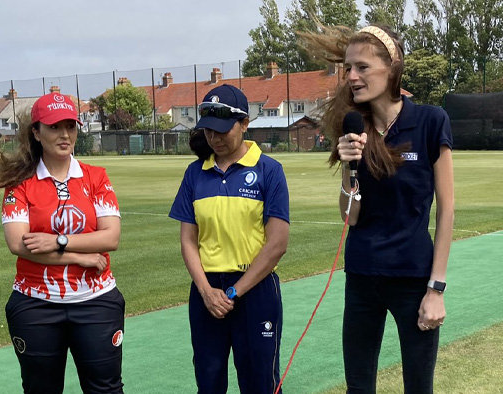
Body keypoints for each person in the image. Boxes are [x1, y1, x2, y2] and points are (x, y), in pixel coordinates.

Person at [300, 24, 455, 393]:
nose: (352, 76)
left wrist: (436, 289)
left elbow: (447, 209)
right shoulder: (353, 126)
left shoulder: (432, 121)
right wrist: (347, 168)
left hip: (413, 280)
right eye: (348, 68)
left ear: (392, 67)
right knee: (359, 387)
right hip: (362, 277)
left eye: (362, 67)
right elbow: (349, 217)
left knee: (418, 387)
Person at [0, 92, 124, 394]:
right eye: (55, 127)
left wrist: (57, 241)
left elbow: (111, 237)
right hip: (36, 305)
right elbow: (20, 245)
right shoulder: (18, 183)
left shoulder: (96, 177)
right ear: (36, 132)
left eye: (70, 126)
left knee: (106, 390)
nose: (65, 134)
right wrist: (78, 257)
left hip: (96, 301)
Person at [169, 84, 290, 394]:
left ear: (245, 124)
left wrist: (235, 291)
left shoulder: (269, 171)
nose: (215, 138)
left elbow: (277, 243)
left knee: (259, 382)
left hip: (255, 290)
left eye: (223, 130)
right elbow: (188, 240)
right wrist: (207, 291)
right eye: (209, 131)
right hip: (207, 292)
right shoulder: (195, 173)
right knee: (209, 382)